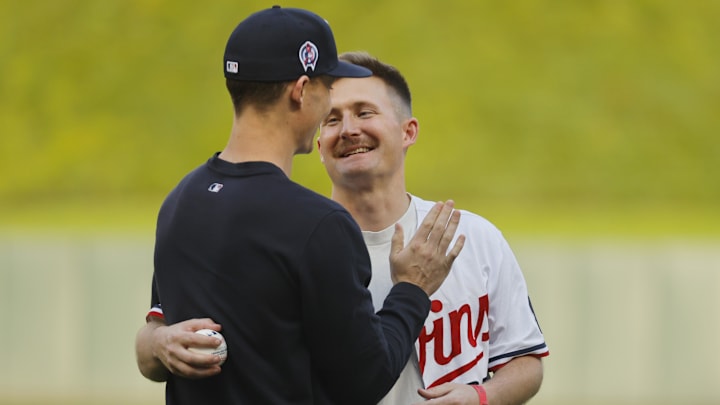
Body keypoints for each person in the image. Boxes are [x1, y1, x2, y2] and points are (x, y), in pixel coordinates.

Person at [137, 48, 548, 404]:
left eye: (365, 113)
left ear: (409, 131)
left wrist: (482, 396)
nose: (349, 130)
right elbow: (151, 340)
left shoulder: (473, 238)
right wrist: (158, 343)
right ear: (317, 146)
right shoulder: (290, 237)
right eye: (331, 120)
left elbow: (525, 360)